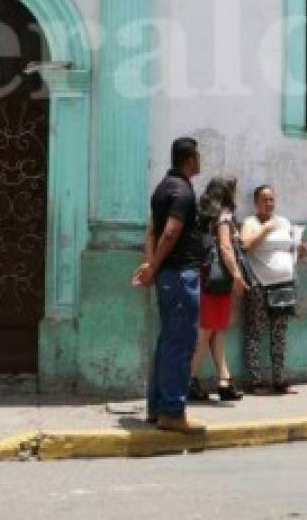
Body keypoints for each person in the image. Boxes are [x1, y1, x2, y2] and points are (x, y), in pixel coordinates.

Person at [134, 137, 205, 434]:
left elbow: (152, 231)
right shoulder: (183, 192)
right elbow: (171, 232)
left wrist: (151, 265)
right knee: (180, 344)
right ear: (189, 159)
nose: (200, 161)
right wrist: (155, 265)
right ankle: (173, 412)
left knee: (167, 342)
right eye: (198, 156)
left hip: (167, 276)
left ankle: (157, 408)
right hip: (179, 275)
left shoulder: (162, 188)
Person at [239, 184, 307, 395]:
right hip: (259, 285)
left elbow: (290, 250)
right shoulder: (250, 223)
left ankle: (279, 380)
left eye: (271, 199)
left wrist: (301, 251)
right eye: (264, 200)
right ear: (256, 203)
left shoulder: (284, 222)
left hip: (283, 286)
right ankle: (256, 381)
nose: (269, 203)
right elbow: (245, 246)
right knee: (255, 331)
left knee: (279, 333)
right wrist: (265, 229)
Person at [188, 176, 248, 402]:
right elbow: (224, 246)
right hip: (218, 277)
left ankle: (225, 380)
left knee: (216, 330)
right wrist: (237, 275)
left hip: (205, 274)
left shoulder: (202, 213)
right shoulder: (223, 216)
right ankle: (190, 379)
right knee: (206, 331)